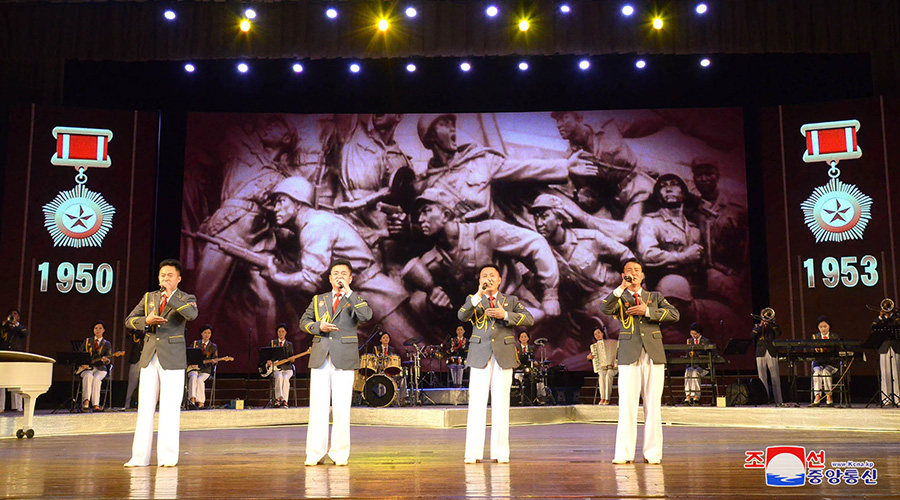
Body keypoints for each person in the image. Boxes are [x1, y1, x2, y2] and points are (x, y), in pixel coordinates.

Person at [262, 176, 423, 348]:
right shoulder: (317, 222)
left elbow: (310, 282)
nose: (276, 209)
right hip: (356, 301)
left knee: (417, 355)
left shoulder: (315, 226)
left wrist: (277, 276)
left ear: (298, 202)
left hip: (376, 297)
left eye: (281, 201)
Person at [601, 258, 679, 465]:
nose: (633, 273)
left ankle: (652, 453)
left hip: (653, 353)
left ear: (643, 275)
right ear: (623, 275)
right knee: (627, 404)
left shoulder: (654, 297)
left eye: (637, 270)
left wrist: (647, 311)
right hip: (629, 354)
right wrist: (621, 287)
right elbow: (605, 308)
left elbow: (674, 314)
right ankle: (624, 453)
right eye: (629, 270)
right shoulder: (620, 297)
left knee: (653, 404)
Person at [124, 259, 198, 468]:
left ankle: (167, 457)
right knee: (145, 408)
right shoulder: (149, 297)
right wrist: (145, 322)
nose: (165, 278)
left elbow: (192, 315)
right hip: (149, 355)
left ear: (178, 279)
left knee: (170, 408)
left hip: (172, 357)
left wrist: (171, 296)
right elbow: (129, 320)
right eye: (162, 275)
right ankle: (139, 457)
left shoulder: (186, 298)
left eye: (170, 275)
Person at [301, 259, 373, 466]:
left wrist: (349, 292)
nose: (339, 277)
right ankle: (315, 453)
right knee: (318, 407)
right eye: (336, 273)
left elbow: (366, 316)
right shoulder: (319, 299)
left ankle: (339, 454)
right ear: (329, 278)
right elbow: (303, 322)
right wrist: (318, 327)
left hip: (344, 357)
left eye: (343, 274)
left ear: (350, 278)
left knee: (342, 408)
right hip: (321, 356)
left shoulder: (355, 299)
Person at [460, 263, 534, 464]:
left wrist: (505, 315)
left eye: (492, 275)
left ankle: (500, 452)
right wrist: (478, 294)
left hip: (503, 353)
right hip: (479, 354)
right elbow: (462, 315)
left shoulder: (510, 300)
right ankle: (473, 453)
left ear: (500, 280)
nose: (489, 279)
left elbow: (529, 319)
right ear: (480, 280)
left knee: (501, 403)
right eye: (484, 276)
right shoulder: (473, 299)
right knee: (476, 403)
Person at [634, 174, 704, 288]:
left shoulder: (694, 228)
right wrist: (683, 257)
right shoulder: (650, 222)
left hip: (692, 286)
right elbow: (647, 255)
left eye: (674, 185)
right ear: (658, 195)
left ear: (684, 193)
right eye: (663, 186)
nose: (668, 189)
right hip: (661, 286)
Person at [751, 309, 783, 406]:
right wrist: (761, 325)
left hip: (771, 351)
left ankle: (779, 400)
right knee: (762, 377)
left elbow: (778, 334)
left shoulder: (774, 325)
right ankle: (765, 399)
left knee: (775, 377)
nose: (765, 316)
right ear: (761, 316)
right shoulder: (757, 326)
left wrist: (771, 324)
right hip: (760, 352)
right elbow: (752, 335)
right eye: (764, 315)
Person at [79, 321, 113, 412]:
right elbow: (80, 354)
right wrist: (83, 363)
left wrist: (106, 360)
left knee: (96, 380)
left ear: (104, 330)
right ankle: (86, 402)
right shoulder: (87, 341)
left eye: (100, 328)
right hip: (87, 368)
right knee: (88, 376)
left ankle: (96, 404)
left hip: (100, 368)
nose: (98, 330)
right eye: (96, 328)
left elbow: (109, 360)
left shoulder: (107, 344)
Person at [0, 308, 29, 412]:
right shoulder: (3, 327)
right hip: (3, 356)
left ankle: (17, 406)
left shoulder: (20, 328)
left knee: (16, 380)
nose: (13, 316)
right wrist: (4, 324)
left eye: (15, 314)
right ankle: (0, 407)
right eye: (11, 314)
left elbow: (26, 334)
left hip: (16, 356)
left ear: (18, 317)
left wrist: (17, 325)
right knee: (1, 382)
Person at [809, 316, 839, 407]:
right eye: (821, 327)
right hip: (819, 363)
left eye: (825, 326)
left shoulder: (835, 337)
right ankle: (817, 396)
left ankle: (828, 395)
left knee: (826, 372)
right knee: (817, 373)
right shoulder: (815, 337)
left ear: (829, 326)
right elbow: (812, 352)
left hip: (831, 364)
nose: (823, 329)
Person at [874, 305, 900, 406]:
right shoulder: (880, 320)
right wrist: (880, 317)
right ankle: (886, 398)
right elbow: (873, 327)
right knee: (885, 373)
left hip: (895, 347)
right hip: (884, 348)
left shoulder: (896, 317)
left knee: (897, 373)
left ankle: (898, 398)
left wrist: (891, 317)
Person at [187, 324, 217, 409]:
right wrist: (191, 363)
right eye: (205, 333)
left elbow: (215, 358)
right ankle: (192, 400)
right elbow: (189, 355)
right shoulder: (195, 343)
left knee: (200, 380)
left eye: (209, 333)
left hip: (205, 370)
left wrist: (214, 362)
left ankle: (201, 402)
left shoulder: (213, 346)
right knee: (193, 377)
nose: (207, 335)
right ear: (201, 333)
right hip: (194, 368)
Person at [587, 326, 617, 405]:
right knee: (602, 375)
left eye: (598, 333)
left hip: (613, 367)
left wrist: (615, 361)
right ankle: (602, 398)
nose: (597, 335)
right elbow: (591, 357)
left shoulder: (612, 343)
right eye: (595, 334)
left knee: (608, 375)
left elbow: (618, 352)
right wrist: (589, 358)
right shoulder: (594, 347)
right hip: (602, 367)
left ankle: (607, 398)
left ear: (602, 334)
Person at [267, 323, 295, 408]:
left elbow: (291, 356)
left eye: (283, 331)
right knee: (279, 377)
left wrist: (292, 359)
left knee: (286, 379)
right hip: (276, 368)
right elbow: (267, 355)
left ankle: (285, 401)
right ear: (277, 333)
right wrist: (268, 361)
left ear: (286, 333)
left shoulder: (289, 344)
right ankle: (278, 399)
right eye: (279, 332)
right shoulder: (272, 343)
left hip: (287, 368)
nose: (281, 333)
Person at [682, 323, 710, 406]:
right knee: (688, 371)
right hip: (692, 366)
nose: (693, 336)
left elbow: (711, 354)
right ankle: (688, 395)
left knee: (695, 372)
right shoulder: (689, 341)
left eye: (695, 334)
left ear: (699, 333)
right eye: (691, 334)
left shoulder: (705, 341)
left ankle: (696, 396)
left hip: (703, 367)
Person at [123, 328, 145, 409]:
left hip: (148, 359)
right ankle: (127, 404)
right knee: (132, 384)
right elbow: (128, 338)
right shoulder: (135, 332)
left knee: (145, 384)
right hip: (136, 359)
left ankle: (143, 405)